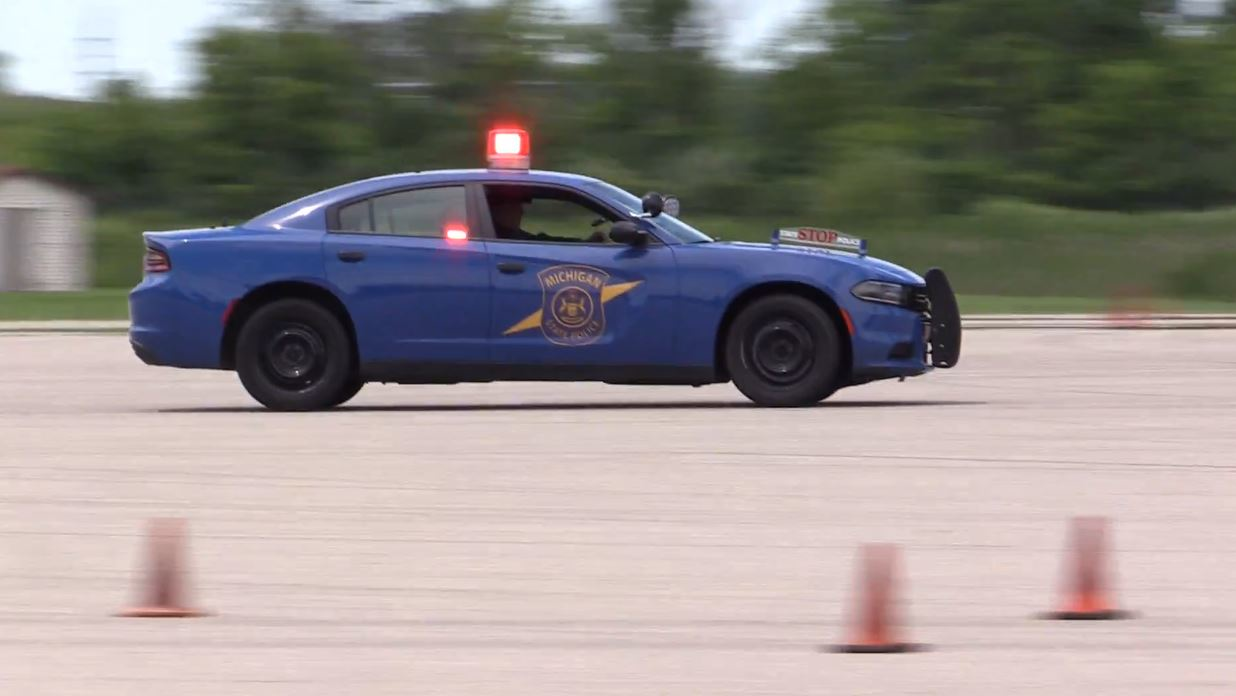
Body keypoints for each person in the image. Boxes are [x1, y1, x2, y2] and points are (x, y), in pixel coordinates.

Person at [487, 190, 608, 243]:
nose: (521, 212)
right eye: (514, 207)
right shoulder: (499, 238)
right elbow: (538, 243)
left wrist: (586, 242)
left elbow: (541, 240)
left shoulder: (504, 235)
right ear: (498, 210)